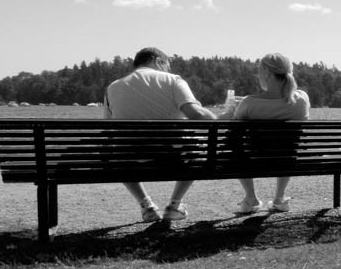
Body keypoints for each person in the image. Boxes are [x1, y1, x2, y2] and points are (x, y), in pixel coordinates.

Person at [104, 47, 217, 222]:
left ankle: (147, 205)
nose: (168, 70)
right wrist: (218, 118)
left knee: (118, 151)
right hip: (173, 158)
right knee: (199, 148)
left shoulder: (113, 87)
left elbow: (108, 131)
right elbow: (197, 114)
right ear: (158, 61)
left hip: (130, 160)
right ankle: (174, 205)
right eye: (167, 65)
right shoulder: (173, 80)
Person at [224, 52, 310, 213]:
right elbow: (280, 102)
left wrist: (230, 112)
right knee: (287, 148)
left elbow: (232, 135)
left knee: (234, 146)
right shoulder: (302, 99)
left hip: (254, 161)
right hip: (287, 161)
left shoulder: (248, 103)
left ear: (267, 73)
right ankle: (279, 198)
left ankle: (251, 198)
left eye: (259, 72)